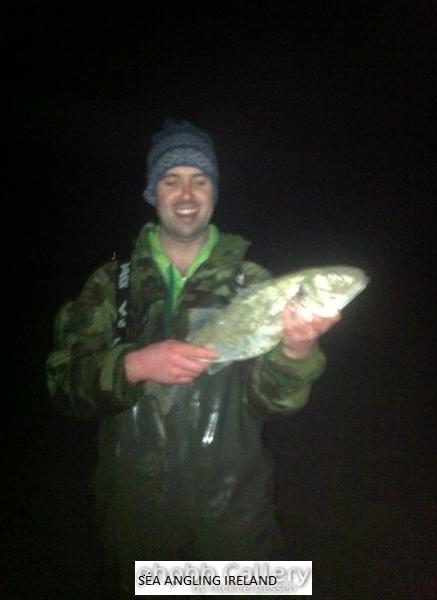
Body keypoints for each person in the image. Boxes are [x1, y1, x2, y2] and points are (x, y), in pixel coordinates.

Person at [46, 119, 340, 596]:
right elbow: (62, 388)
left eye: (200, 180)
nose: (186, 194)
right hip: (135, 524)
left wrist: (296, 349)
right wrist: (134, 366)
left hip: (238, 524)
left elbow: (274, 406)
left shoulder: (254, 284)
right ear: (152, 192)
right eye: (171, 180)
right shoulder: (111, 283)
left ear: (215, 193)